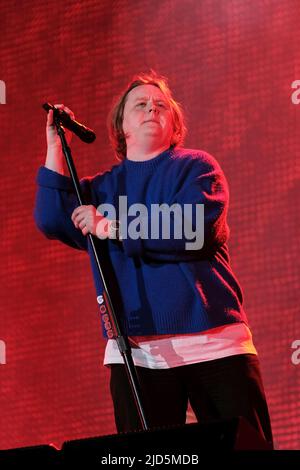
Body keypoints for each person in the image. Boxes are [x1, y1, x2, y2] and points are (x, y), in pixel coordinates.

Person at [34, 70, 273, 446]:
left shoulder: (196, 167)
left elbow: (193, 228)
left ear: (175, 123)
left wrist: (113, 227)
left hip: (215, 344)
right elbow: (51, 218)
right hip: (139, 354)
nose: (151, 108)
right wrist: (53, 144)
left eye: (161, 105)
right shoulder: (101, 189)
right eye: (140, 104)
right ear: (121, 125)